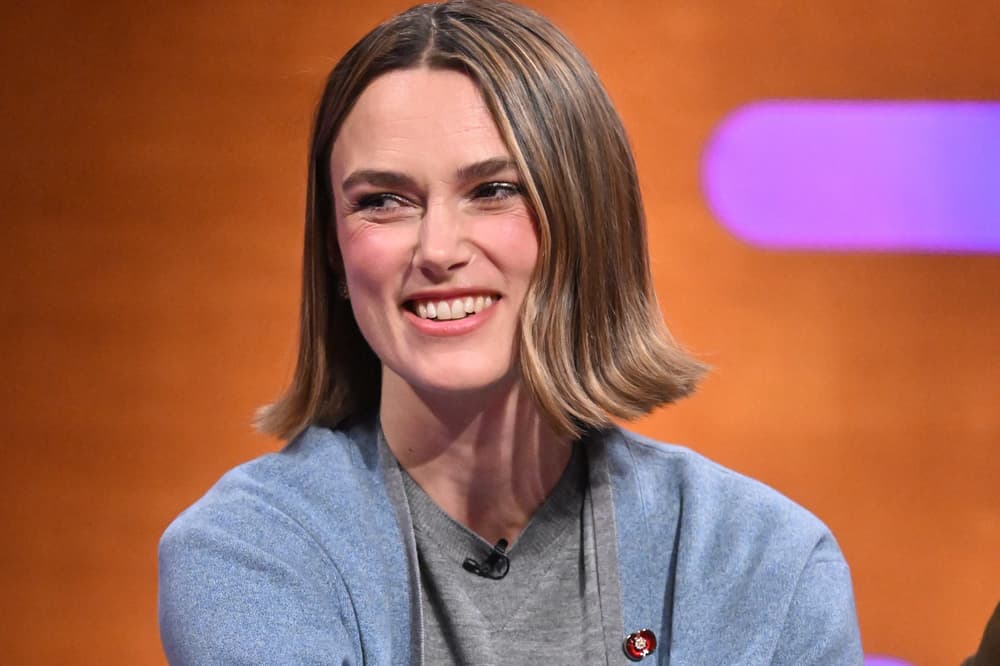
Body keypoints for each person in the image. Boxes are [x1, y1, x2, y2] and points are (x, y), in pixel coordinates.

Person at [158, 1, 863, 663]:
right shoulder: (252, 551)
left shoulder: (763, 563)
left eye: (493, 190)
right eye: (384, 201)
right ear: (336, 255)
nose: (437, 249)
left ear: (585, 221)